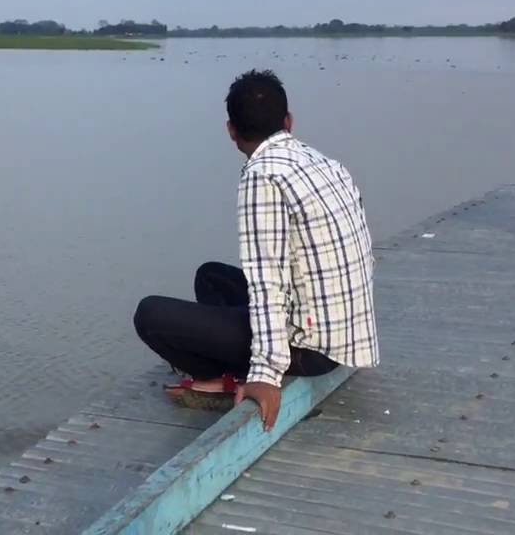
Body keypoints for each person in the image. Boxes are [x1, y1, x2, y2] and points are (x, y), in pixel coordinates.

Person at [133, 68, 377, 431]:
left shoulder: (262, 176)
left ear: (231, 130)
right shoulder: (324, 163)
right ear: (289, 122)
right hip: (344, 332)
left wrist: (265, 373)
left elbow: (268, 281)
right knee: (211, 276)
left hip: (311, 351)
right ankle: (242, 361)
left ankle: (232, 378)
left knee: (150, 314)